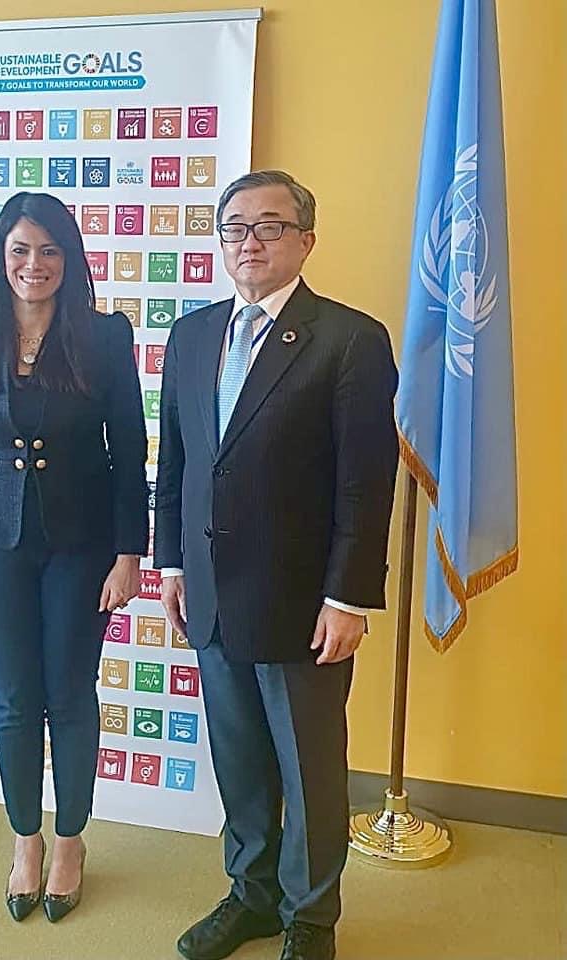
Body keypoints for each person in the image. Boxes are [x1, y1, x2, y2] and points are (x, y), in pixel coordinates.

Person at [154, 170, 399, 960]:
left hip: (303, 604)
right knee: (240, 764)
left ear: (305, 240)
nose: (250, 241)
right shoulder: (192, 336)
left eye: (270, 226)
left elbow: (365, 483)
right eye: (235, 227)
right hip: (212, 594)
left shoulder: (350, 340)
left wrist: (348, 598)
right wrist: (172, 565)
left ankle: (311, 919)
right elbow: (180, 463)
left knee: (311, 772)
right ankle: (252, 897)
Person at [0, 191, 148, 923]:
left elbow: (129, 450)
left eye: (50, 250)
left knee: (70, 694)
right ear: (0, 256)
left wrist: (130, 552)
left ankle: (71, 841)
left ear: (69, 258)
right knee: (15, 699)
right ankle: (26, 841)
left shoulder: (105, 336)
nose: (34, 264)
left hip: (82, 545)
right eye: (20, 249)